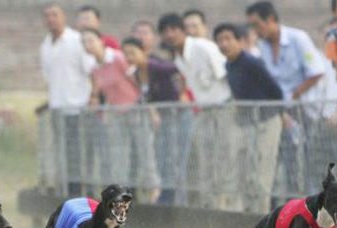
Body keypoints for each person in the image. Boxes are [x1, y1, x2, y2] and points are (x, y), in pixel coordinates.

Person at [246, 1, 326, 202]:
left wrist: (293, 97)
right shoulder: (262, 46)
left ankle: (311, 208)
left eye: (257, 25)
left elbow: (316, 72)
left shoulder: (298, 38)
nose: (255, 31)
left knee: (308, 165)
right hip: (281, 114)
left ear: (271, 19)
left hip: (304, 111)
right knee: (284, 163)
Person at [158, 13, 234, 209]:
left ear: (183, 31)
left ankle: (227, 206)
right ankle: (210, 207)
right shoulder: (178, 58)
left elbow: (227, 74)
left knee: (225, 160)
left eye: (173, 30)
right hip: (204, 112)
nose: (169, 35)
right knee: (204, 162)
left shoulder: (204, 47)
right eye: (165, 31)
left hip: (225, 108)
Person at [82, 29, 160, 202]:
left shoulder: (118, 58)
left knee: (144, 152)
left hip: (136, 111)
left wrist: (151, 109)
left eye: (91, 40)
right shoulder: (94, 68)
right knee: (119, 156)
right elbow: (104, 91)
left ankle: (153, 192)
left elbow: (138, 82)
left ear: (101, 41)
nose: (88, 45)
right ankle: (122, 195)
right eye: (84, 42)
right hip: (116, 115)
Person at [214, 23, 284, 213]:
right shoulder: (228, 65)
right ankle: (243, 214)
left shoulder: (252, 62)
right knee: (243, 171)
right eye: (219, 40)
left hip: (266, 122)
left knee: (262, 172)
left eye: (228, 39)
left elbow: (275, 91)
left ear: (240, 41)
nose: (224, 44)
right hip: (245, 123)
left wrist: (280, 114)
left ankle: (261, 215)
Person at [38, 3, 95, 196]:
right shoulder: (45, 45)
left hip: (78, 108)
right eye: (47, 15)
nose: (51, 19)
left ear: (64, 16)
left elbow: (91, 70)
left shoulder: (76, 40)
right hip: (57, 109)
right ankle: (69, 192)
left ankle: (85, 192)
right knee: (63, 154)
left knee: (80, 154)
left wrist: (93, 96)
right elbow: (49, 78)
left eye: (55, 14)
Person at [121, 37, 183, 205]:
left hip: (175, 115)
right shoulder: (136, 74)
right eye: (126, 54)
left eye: (133, 53)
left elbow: (178, 69)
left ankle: (173, 196)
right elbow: (147, 96)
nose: (129, 57)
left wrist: (182, 94)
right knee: (161, 156)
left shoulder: (155, 66)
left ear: (144, 52)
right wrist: (153, 110)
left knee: (172, 156)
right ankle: (163, 194)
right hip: (160, 120)